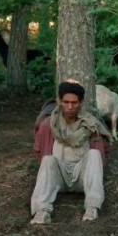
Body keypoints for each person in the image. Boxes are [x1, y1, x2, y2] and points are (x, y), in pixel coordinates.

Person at [30, 81, 112, 224]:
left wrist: (94, 170)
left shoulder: (91, 124)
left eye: (74, 103)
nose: (69, 107)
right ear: (60, 101)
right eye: (66, 102)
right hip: (59, 177)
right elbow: (38, 149)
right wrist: (50, 173)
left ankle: (92, 207)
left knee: (94, 155)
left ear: (81, 103)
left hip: (82, 177)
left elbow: (104, 150)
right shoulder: (49, 124)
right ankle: (42, 211)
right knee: (48, 160)